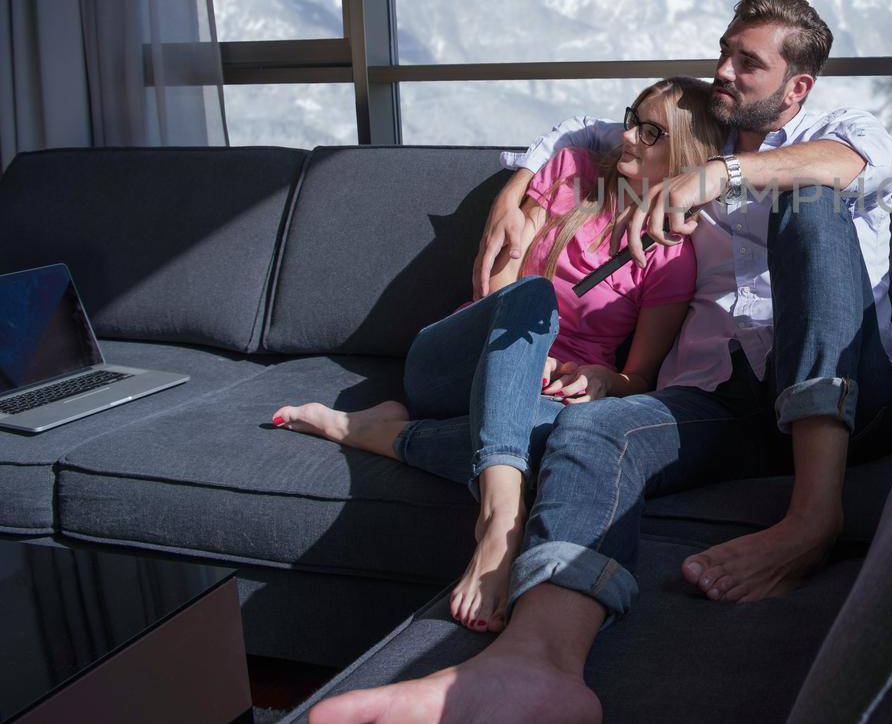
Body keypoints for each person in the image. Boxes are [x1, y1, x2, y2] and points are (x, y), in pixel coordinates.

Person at [310, 0, 892, 724]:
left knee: (812, 202)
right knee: (592, 431)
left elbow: (855, 161)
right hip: (718, 404)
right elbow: (582, 130)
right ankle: (536, 665)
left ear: (796, 86)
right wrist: (515, 189)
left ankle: (811, 517)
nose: (723, 71)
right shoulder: (700, 128)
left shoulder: (834, 130)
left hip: (849, 391)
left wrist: (718, 177)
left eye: (746, 63)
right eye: (724, 52)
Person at [272, 77, 726, 634]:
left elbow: (641, 377)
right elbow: (503, 281)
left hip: (536, 401)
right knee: (531, 299)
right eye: (632, 117)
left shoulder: (672, 256)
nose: (628, 135)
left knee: (565, 439)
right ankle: (500, 519)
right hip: (459, 358)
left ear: (684, 154)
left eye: (650, 131)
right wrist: (521, 350)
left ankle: (371, 431)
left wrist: (605, 379)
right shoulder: (573, 171)